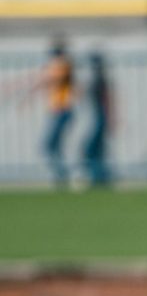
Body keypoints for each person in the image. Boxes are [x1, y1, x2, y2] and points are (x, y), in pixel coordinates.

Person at [41, 40, 75, 188]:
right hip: (57, 111)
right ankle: (61, 176)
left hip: (63, 110)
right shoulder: (57, 66)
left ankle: (62, 176)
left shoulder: (63, 65)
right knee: (53, 146)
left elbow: (49, 80)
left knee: (50, 145)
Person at [80, 52, 114, 187]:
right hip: (98, 118)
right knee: (97, 150)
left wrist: (111, 119)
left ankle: (99, 179)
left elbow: (107, 100)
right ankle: (100, 178)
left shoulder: (100, 79)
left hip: (100, 118)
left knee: (91, 149)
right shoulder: (95, 79)